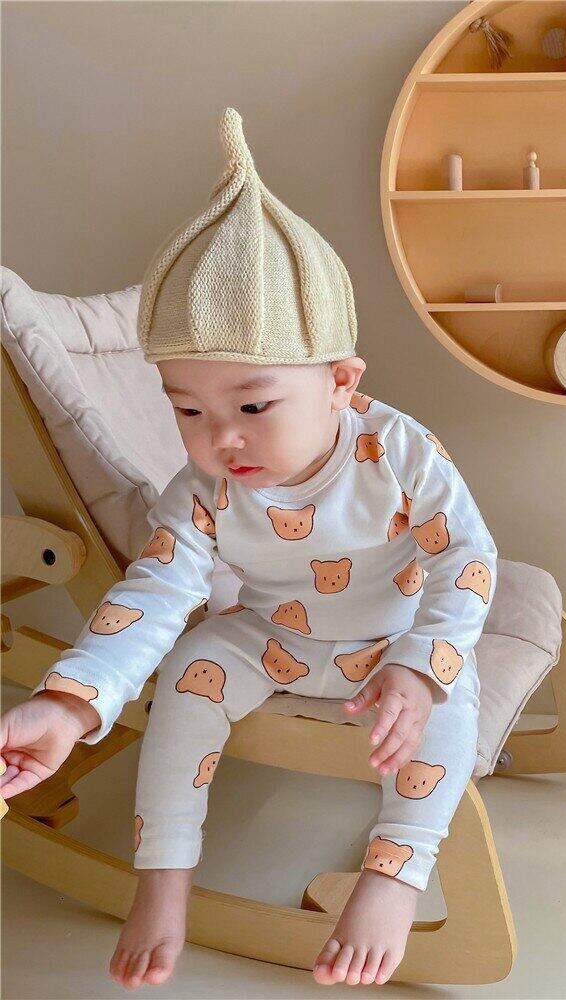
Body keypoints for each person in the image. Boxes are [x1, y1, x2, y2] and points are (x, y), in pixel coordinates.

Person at [0, 108, 497, 989]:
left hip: (392, 645)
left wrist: (421, 669)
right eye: (188, 409)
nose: (220, 437)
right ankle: (164, 877)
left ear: (340, 382)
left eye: (253, 407)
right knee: (192, 671)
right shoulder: (202, 490)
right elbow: (152, 596)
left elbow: (466, 559)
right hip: (274, 638)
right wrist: (69, 706)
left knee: (453, 698)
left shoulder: (398, 451)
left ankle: (395, 872)